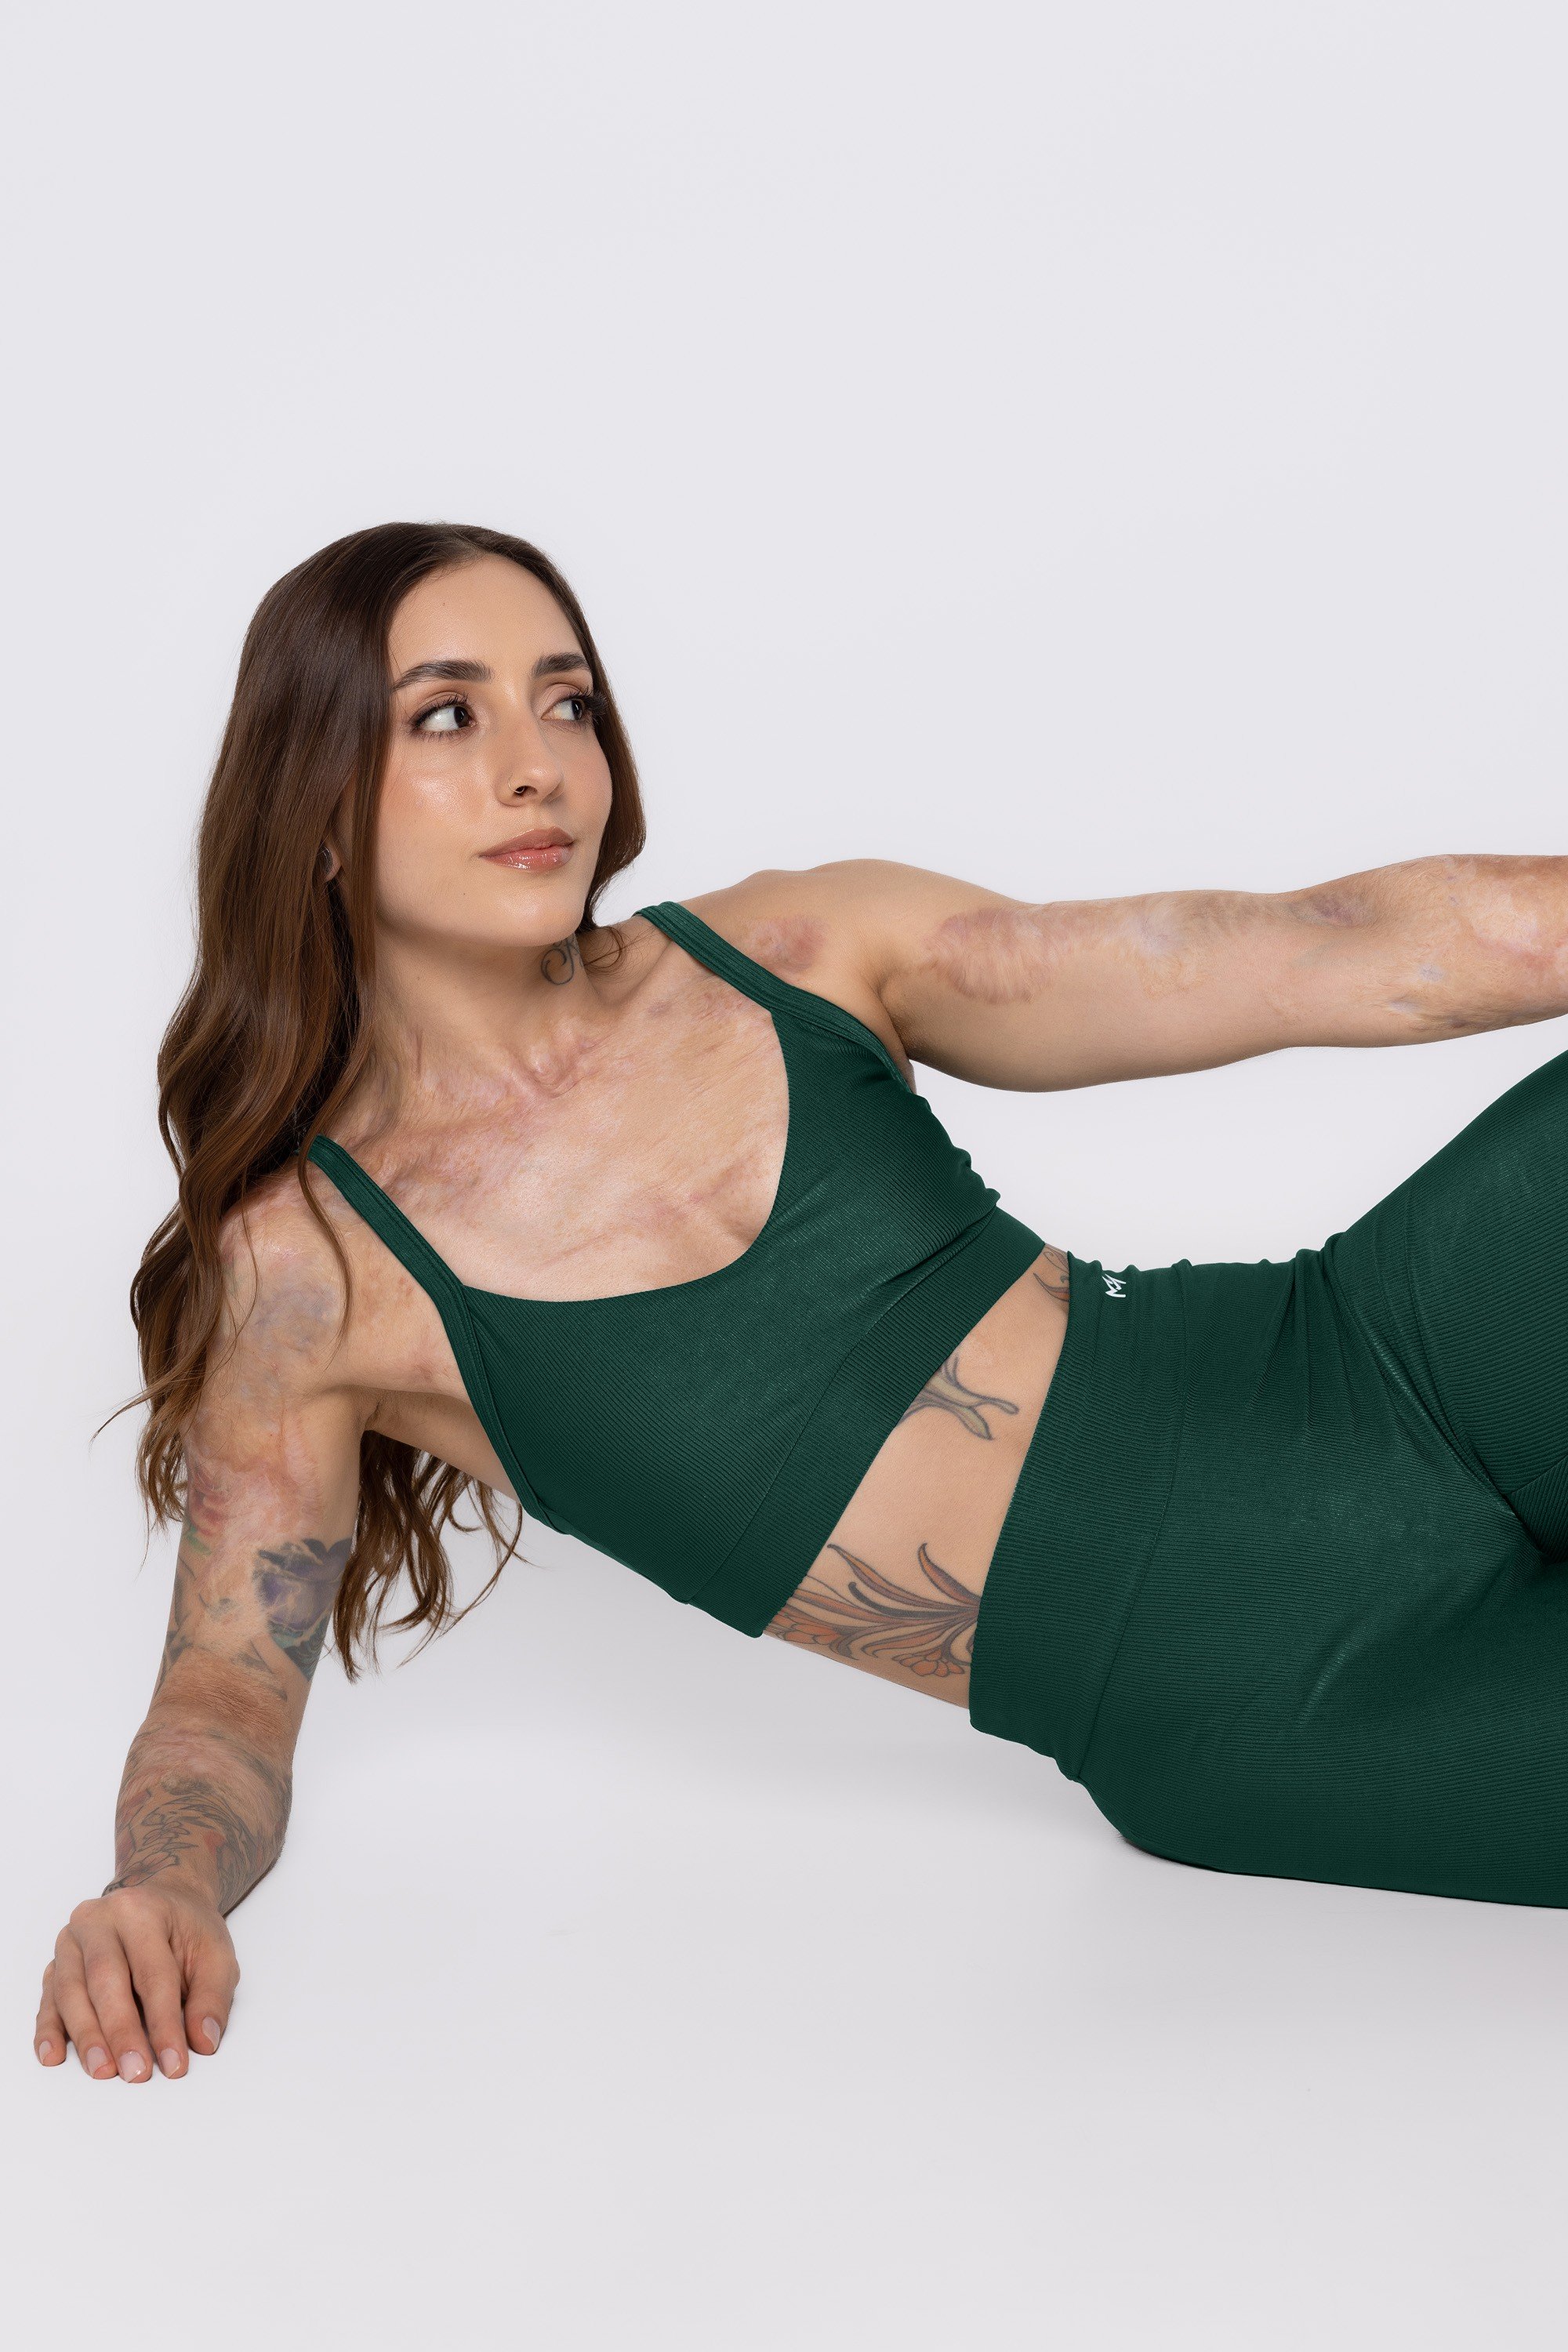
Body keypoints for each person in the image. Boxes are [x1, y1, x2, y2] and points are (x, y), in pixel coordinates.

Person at [34, 521, 1568, 2086]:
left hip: (1394, 1353)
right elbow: (226, 1689)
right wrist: (159, 1888)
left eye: (567, 702)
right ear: (313, 804)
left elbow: (1333, 950)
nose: (537, 768)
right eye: (446, 714)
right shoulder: (311, 1271)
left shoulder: (798, 952)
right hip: (1274, 1698)